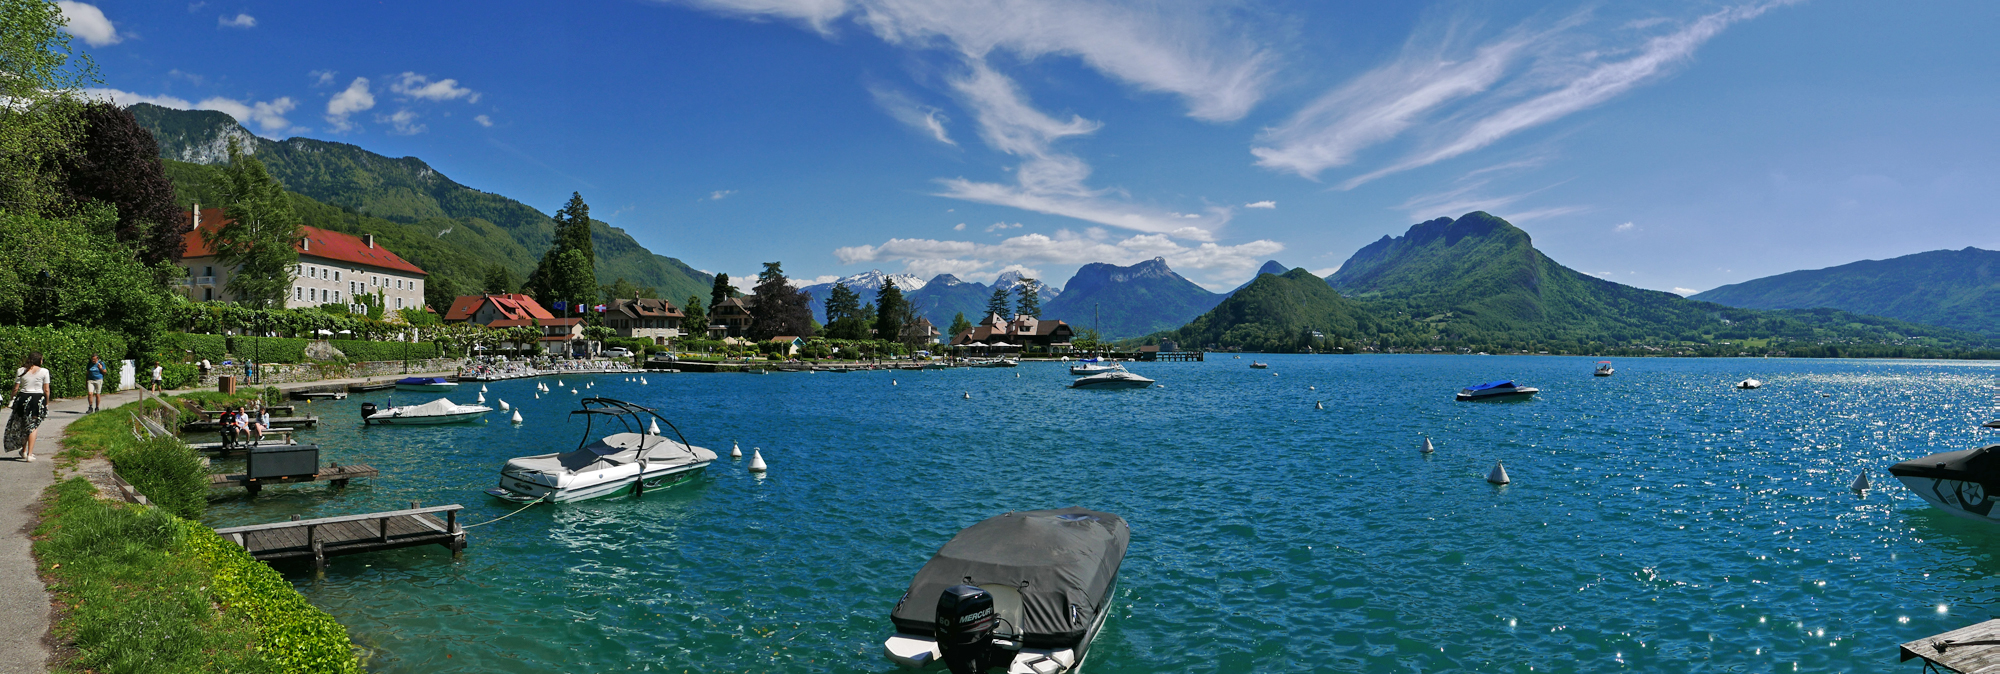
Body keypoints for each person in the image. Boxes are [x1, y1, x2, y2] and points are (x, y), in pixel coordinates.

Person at [6, 352, 51, 462]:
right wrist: (47, 402)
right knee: (33, 426)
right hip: (37, 399)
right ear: (39, 360)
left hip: (23, 398)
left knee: (23, 424)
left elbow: (15, 388)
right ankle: (30, 454)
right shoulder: (44, 371)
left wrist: (11, 398)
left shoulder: (21, 370)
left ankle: (24, 451)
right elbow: (46, 390)